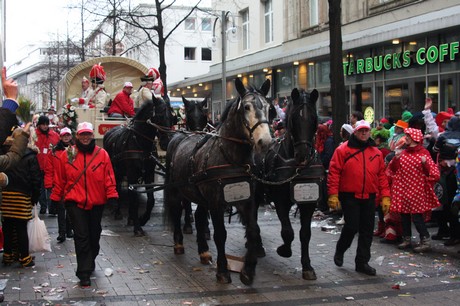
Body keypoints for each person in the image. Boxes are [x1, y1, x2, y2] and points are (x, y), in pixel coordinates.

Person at [50, 122, 118, 287]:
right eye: (82, 134)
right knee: (81, 237)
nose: (85, 137)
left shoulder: (102, 154)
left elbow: (108, 177)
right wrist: (55, 198)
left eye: (88, 134)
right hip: (75, 202)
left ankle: (90, 260)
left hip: (96, 202)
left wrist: (113, 195)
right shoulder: (68, 154)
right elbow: (60, 179)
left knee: (94, 236)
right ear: (77, 136)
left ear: (92, 135)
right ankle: (84, 272)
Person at [328, 120, 390, 276]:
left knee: (367, 230)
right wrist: (333, 194)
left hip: (369, 196)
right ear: (355, 132)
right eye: (361, 131)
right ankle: (340, 249)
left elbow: (381, 176)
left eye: (366, 131)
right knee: (351, 226)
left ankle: (362, 262)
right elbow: (334, 173)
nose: (364, 133)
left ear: (370, 132)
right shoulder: (342, 150)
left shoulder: (375, 152)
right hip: (350, 196)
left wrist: (386, 196)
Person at [386, 128, 440, 253]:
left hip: (417, 191)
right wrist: (396, 159)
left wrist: (425, 164)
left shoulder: (424, 153)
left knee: (417, 217)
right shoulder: (403, 153)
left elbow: (434, 174)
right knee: (404, 216)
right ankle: (407, 239)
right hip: (403, 190)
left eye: (408, 136)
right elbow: (392, 170)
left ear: (415, 138)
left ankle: (425, 240)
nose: (406, 138)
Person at [1, 135, 41, 267]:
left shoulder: (6, 154)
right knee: (21, 227)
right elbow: (36, 179)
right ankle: (24, 257)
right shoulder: (31, 156)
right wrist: (35, 197)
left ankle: (8, 255)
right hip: (22, 195)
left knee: (7, 226)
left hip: (6, 194)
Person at [45, 127, 74, 243]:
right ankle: (62, 233)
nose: (66, 137)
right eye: (64, 136)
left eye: (68, 135)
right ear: (60, 137)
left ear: (71, 137)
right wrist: (49, 184)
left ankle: (69, 229)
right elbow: (49, 169)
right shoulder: (53, 152)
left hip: (72, 184)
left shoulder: (75, 150)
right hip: (59, 184)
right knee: (61, 210)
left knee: (71, 209)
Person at [35, 115, 60, 215]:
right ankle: (43, 207)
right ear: (39, 125)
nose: (45, 126)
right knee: (40, 189)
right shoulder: (34, 135)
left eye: (46, 124)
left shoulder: (54, 135)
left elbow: (58, 148)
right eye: (43, 124)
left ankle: (51, 208)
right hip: (38, 166)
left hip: (50, 166)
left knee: (50, 188)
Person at [315, 124, 335, 213]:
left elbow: (328, 155)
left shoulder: (328, 141)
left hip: (326, 168)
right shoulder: (324, 141)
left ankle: (326, 206)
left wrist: (321, 162)